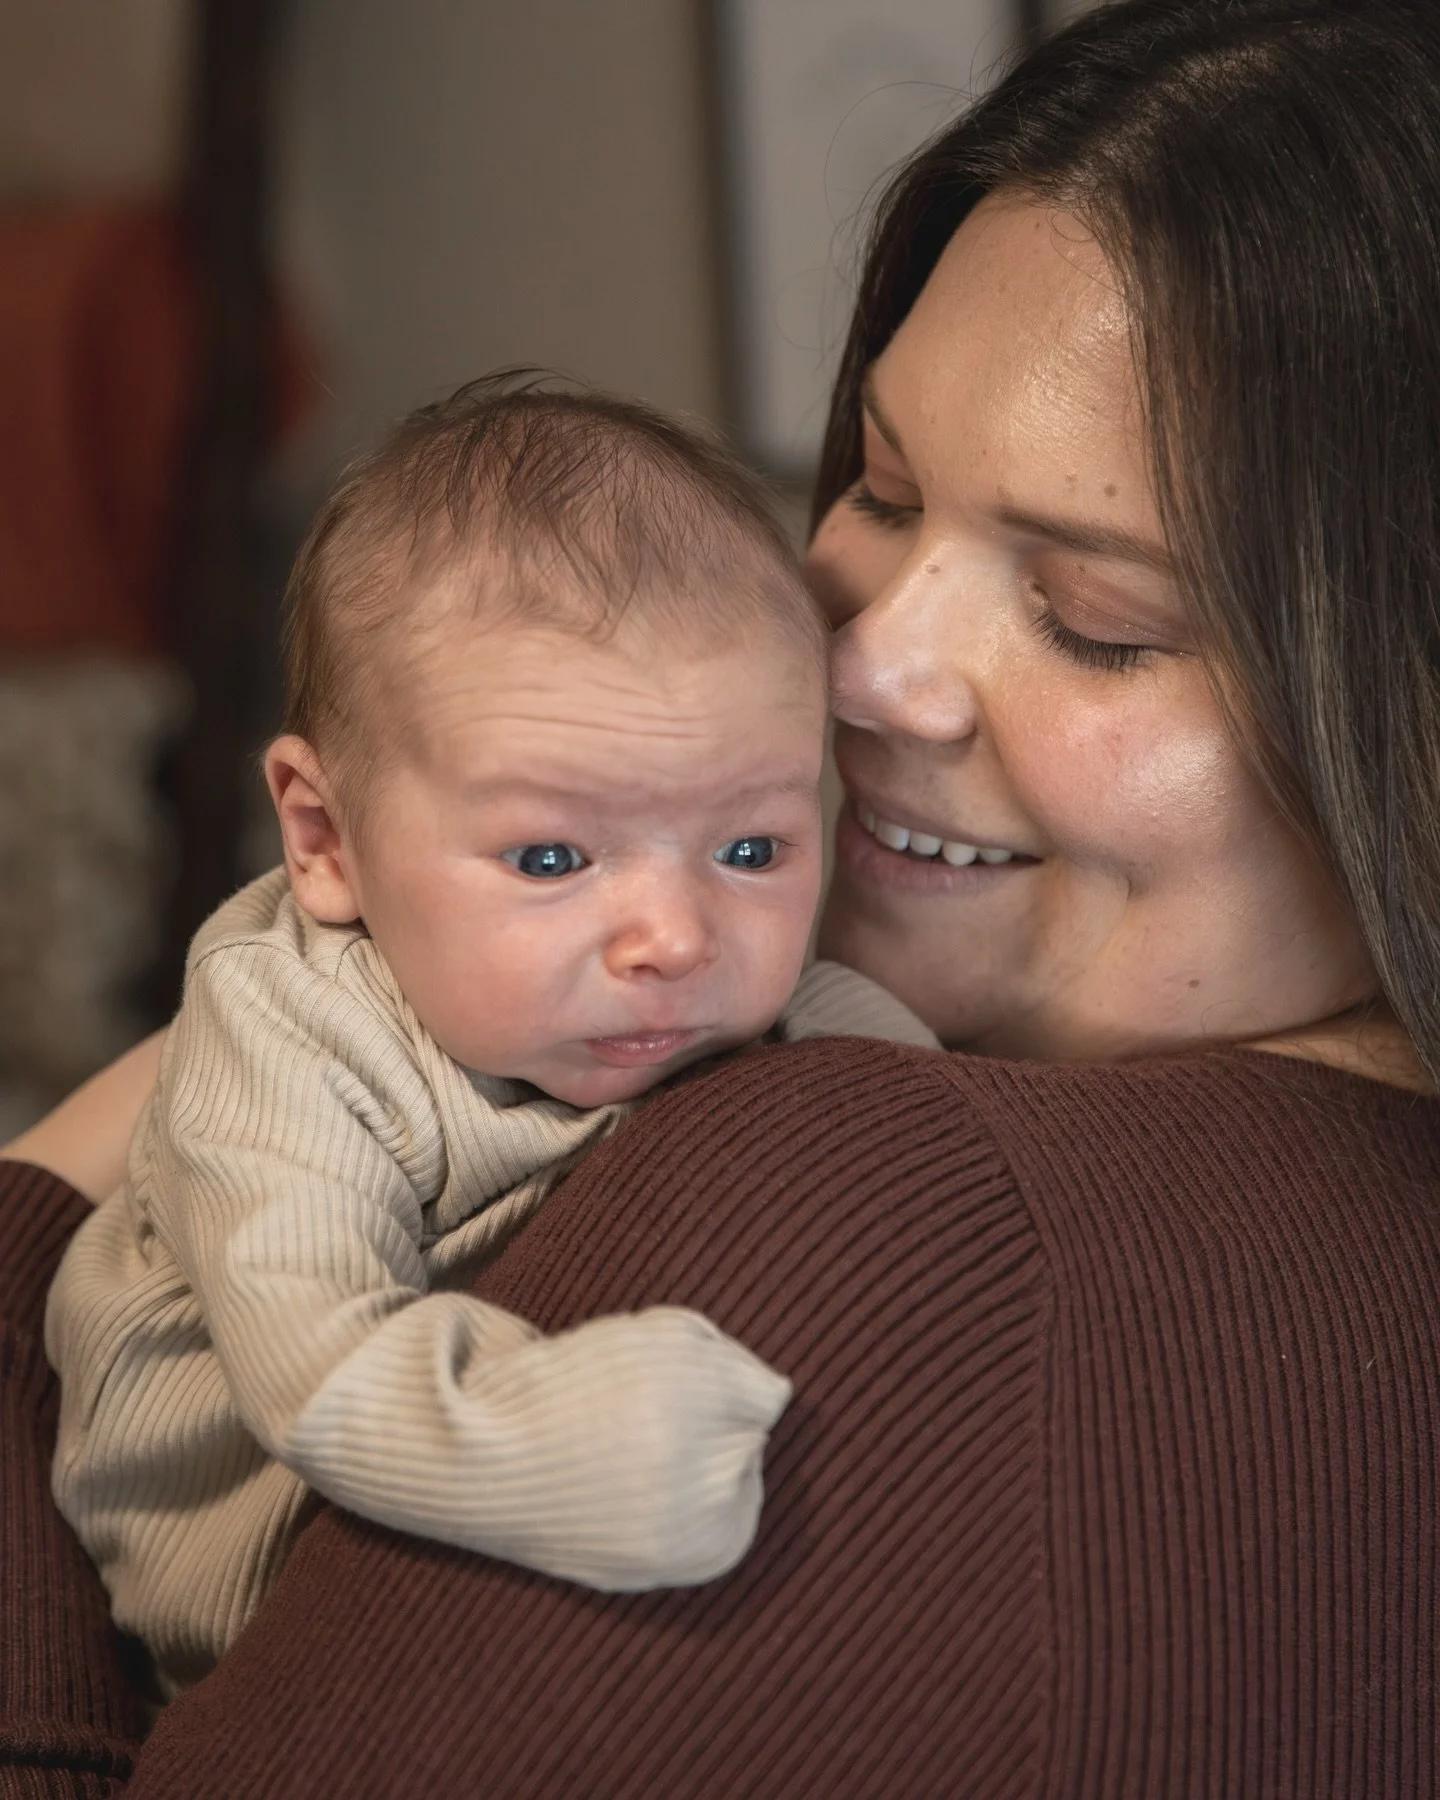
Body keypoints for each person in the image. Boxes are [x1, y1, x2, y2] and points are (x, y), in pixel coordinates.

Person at [4, 0, 1440, 1792]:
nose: (860, 669)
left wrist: (39, 1208)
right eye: (883, 490)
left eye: (1100, 620)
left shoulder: (855, 1201)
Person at [41, 379, 936, 1690]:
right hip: (215, 1583)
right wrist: (590, 1446)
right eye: (552, 856)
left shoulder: (746, 997)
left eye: (751, 846)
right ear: (325, 839)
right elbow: (318, 1371)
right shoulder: (286, 1039)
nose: (676, 937)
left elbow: (894, 1083)